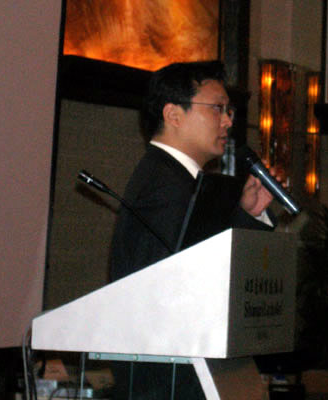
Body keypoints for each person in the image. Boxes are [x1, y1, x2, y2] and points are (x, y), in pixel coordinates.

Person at [108, 60, 276, 400]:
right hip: (169, 380)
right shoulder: (164, 185)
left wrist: (247, 215)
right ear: (173, 114)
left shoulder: (179, 180)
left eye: (229, 111)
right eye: (217, 108)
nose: (228, 120)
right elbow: (175, 288)